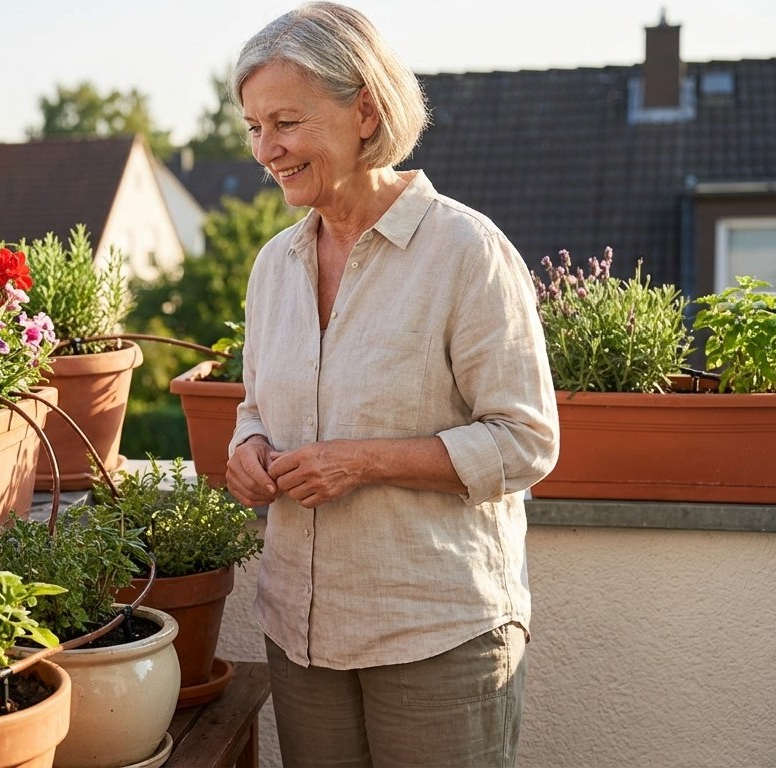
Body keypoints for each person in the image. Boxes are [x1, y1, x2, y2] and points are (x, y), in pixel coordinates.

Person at [224, 4, 560, 766]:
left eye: (285, 121)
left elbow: (526, 440)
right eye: (253, 126)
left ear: (364, 109)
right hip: (301, 634)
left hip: (435, 632)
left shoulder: (465, 251)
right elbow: (255, 407)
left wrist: (363, 461)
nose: (265, 148)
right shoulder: (273, 266)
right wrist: (245, 448)